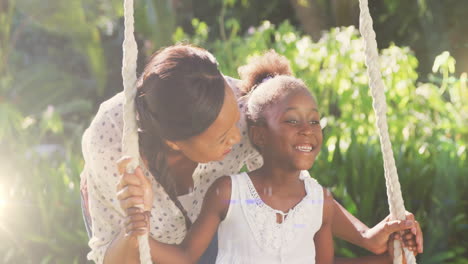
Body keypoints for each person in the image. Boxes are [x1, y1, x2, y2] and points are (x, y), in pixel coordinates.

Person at [80, 45, 422, 264]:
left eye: (236, 123)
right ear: (174, 142)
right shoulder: (113, 149)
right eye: (222, 137)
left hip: (206, 233)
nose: (237, 136)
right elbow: (119, 257)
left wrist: (368, 237)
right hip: (138, 241)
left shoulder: (241, 112)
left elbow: (295, 189)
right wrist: (136, 222)